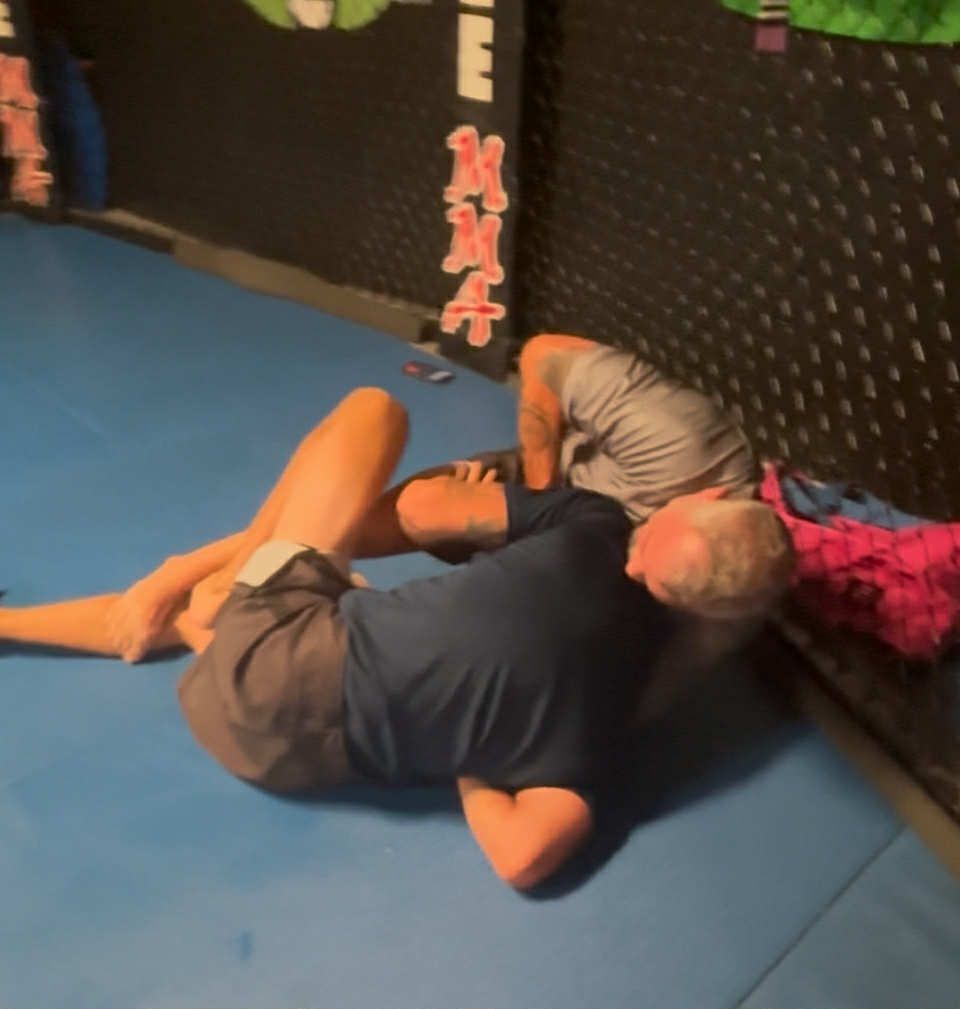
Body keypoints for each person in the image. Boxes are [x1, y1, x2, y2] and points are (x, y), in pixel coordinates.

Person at [0, 387, 699, 889]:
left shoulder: (598, 525)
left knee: (373, 411)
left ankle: (217, 570)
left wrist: (189, 567)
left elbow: (419, 508)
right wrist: (474, 753)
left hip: (281, 650)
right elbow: (523, 858)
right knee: (216, 620)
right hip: (271, 751)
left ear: (652, 547)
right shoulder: (620, 720)